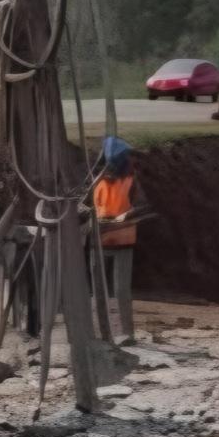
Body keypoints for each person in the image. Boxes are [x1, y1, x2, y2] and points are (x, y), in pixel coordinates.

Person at [91, 135, 141, 344]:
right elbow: (84, 206)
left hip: (123, 240)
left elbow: (143, 205)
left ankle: (127, 334)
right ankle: (103, 333)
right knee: (99, 291)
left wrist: (127, 215)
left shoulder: (131, 181)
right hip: (98, 240)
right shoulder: (96, 182)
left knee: (121, 290)